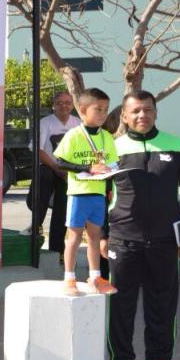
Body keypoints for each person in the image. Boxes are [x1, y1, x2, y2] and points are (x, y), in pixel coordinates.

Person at [104, 90, 180, 360]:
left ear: (156, 112)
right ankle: (121, 358)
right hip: (122, 238)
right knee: (121, 301)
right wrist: (100, 235)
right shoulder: (111, 148)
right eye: (135, 111)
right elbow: (99, 194)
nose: (141, 115)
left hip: (164, 239)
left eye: (147, 110)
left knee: (163, 301)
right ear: (124, 115)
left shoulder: (176, 145)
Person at [51, 88, 118, 296]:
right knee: (73, 236)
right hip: (79, 193)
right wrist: (87, 169)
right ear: (82, 110)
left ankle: (95, 277)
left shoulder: (107, 137)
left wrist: (111, 170)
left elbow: (113, 163)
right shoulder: (73, 135)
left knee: (95, 237)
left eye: (106, 109)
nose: (103, 113)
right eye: (98, 109)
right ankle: (69, 278)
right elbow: (60, 162)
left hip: (98, 194)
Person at [23, 91, 81, 259]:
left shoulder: (78, 124)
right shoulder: (45, 123)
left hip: (68, 170)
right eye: (59, 102)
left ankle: (57, 249)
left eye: (67, 102)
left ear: (72, 105)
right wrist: (56, 167)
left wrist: (69, 169)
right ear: (53, 105)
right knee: (44, 176)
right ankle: (36, 226)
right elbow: (38, 150)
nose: (64, 105)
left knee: (62, 208)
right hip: (49, 166)